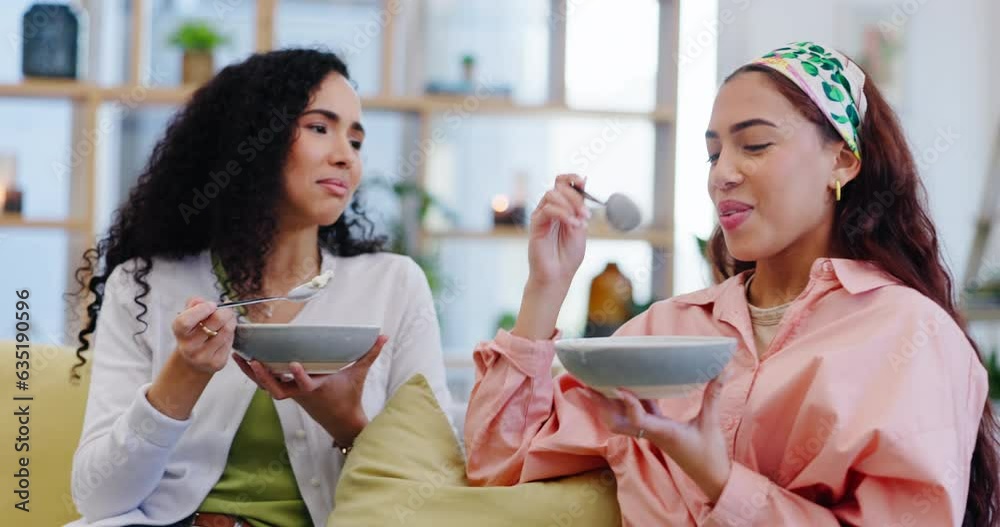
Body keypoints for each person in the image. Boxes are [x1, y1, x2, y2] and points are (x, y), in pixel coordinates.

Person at [463, 42, 999, 526]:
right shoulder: (662, 331)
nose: (722, 174)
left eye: (756, 145)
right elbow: (499, 462)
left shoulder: (911, 336)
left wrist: (717, 479)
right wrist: (546, 285)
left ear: (841, 161)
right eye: (714, 153)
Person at [67, 48, 452, 527]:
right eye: (319, 127)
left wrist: (344, 423)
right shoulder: (143, 285)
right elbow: (99, 500)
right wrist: (184, 376)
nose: (345, 156)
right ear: (252, 139)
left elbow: (434, 487)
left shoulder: (394, 284)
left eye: (355, 140)